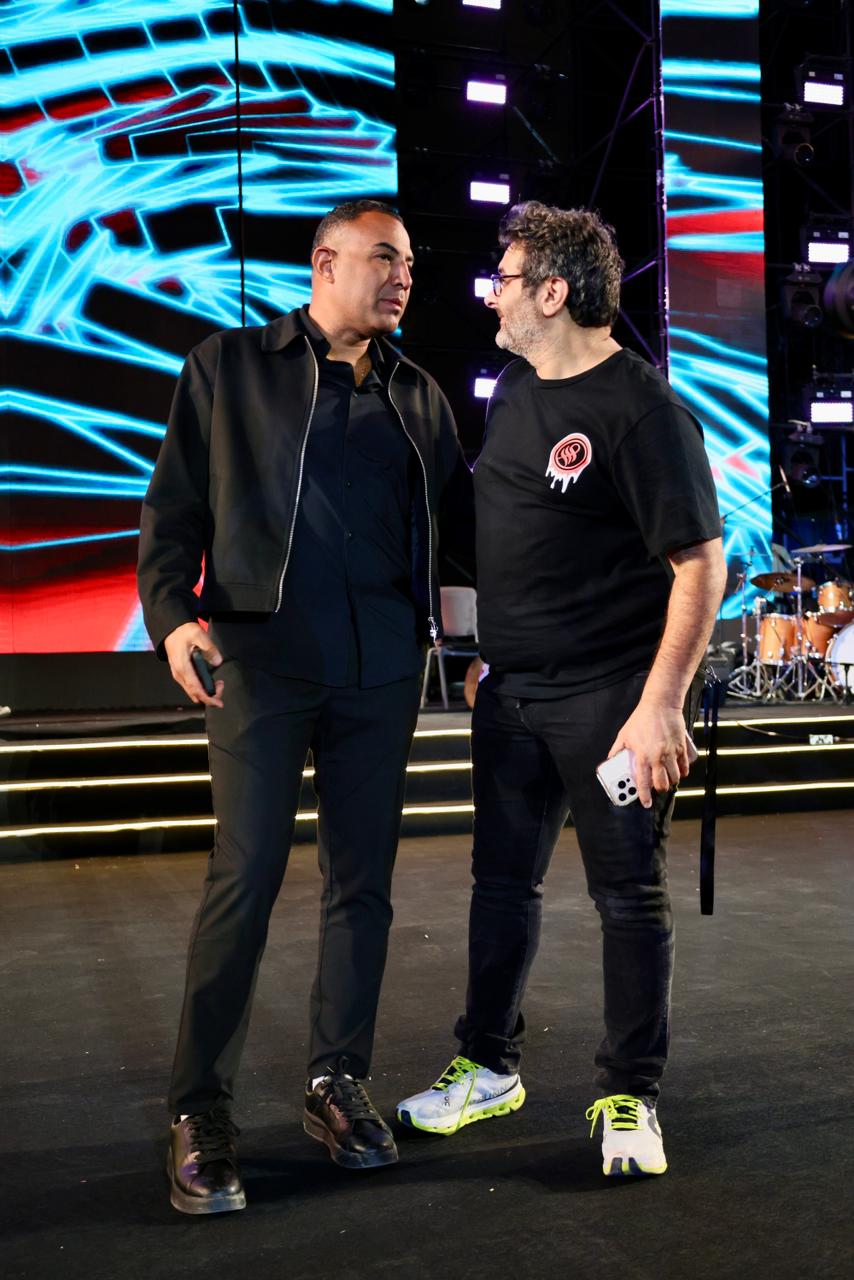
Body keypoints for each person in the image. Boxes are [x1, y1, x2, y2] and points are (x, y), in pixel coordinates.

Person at [137, 199, 472, 1214]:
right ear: (324, 263)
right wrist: (172, 619)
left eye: (408, 263)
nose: (402, 276)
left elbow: (456, 538)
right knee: (243, 879)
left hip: (381, 672)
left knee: (361, 885)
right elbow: (171, 512)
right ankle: (200, 1111)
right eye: (383, 258)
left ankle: (337, 1081)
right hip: (262, 663)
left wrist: (476, 646)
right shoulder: (228, 367)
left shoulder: (420, 396)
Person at [396, 201, 726, 1177]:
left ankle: (630, 1092)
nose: (489, 295)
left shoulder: (643, 410)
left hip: (610, 700)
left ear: (551, 291)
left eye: (502, 278)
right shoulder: (512, 389)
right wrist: (492, 645)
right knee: (500, 885)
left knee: (627, 896)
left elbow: (701, 565)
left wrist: (659, 704)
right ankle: (488, 1064)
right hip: (511, 696)